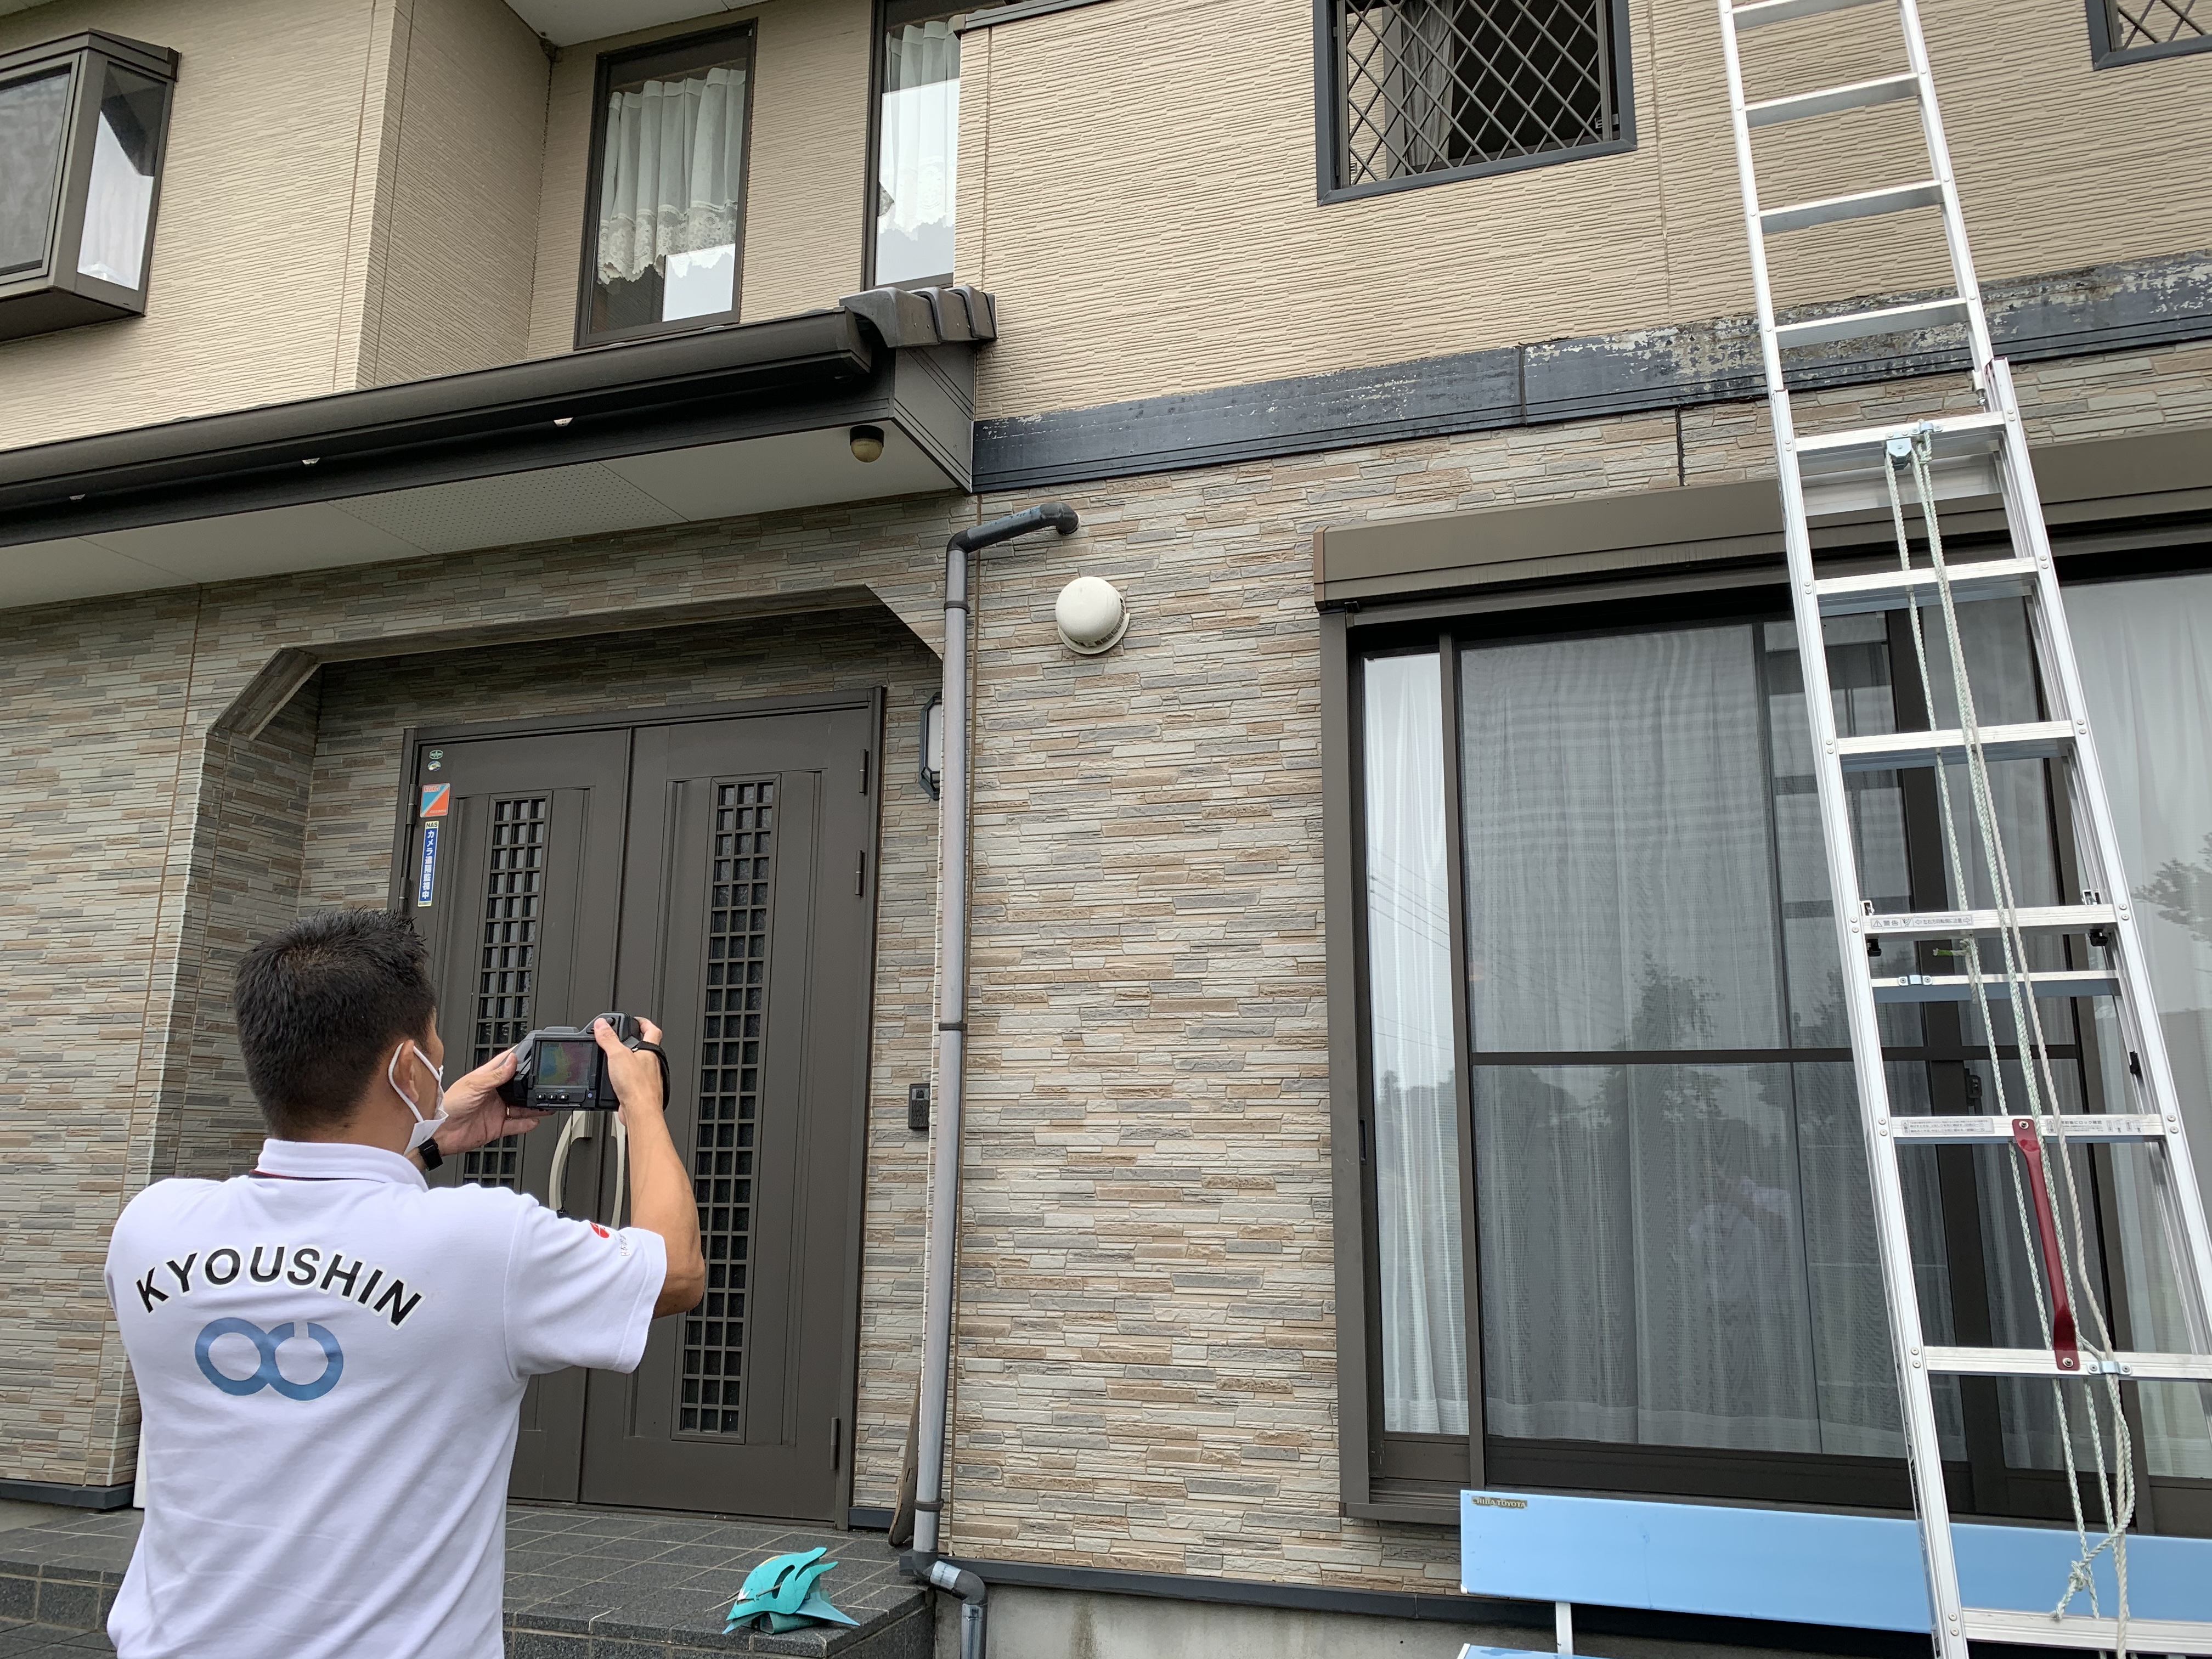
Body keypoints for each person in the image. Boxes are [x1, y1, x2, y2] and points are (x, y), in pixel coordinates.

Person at [102, 909, 705, 1659]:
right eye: (434, 1047)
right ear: (409, 1071)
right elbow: (676, 1270)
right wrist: (642, 1102)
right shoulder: (485, 1243)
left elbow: (328, 1227)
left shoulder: (151, 1227)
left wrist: (428, 1136)